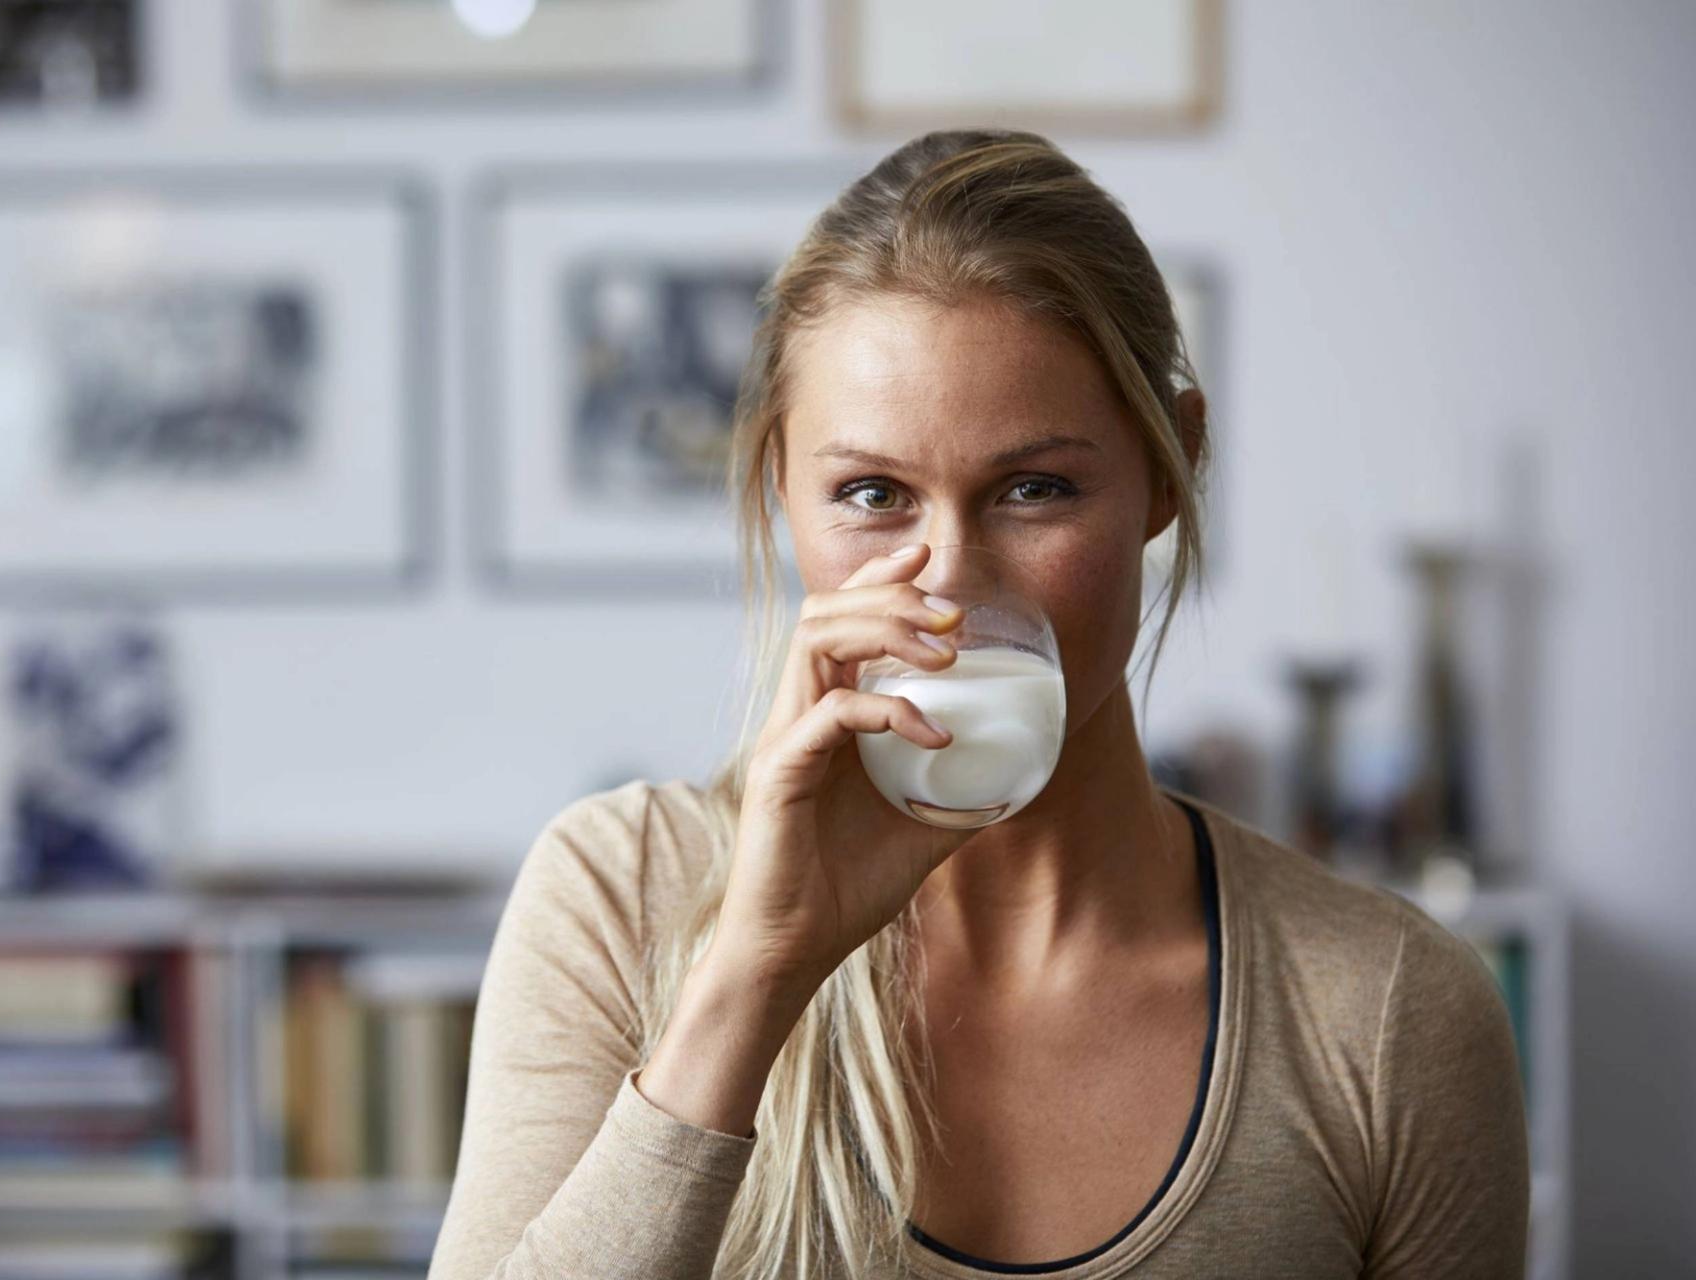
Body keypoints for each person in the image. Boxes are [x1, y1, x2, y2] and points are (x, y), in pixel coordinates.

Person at [427, 129, 1528, 1279]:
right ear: (778, 492)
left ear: (1169, 470)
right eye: (871, 493)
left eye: (1034, 489)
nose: (947, 578)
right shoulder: (618, 895)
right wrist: (752, 976)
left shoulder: (1389, 1011)